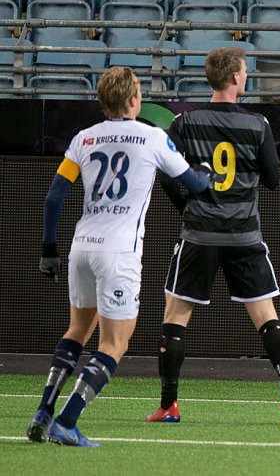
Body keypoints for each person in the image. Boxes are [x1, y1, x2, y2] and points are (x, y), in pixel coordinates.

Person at [28, 66, 212, 447]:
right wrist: (206, 173)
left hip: (82, 246)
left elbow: (53, 198)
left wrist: (49, 250)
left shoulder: (84, 138)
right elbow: (194, 185)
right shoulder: (152, 137)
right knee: (115, 344)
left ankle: (44, 411)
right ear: (133, 99)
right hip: (118, 252)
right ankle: (67, 421)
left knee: (77, 330)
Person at [145, 47, 280, 425]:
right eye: (245, 72)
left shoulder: (185, 123)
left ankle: (169, 405)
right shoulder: (258, 124)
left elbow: (167, 173)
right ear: (234, 77)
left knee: (175, 317)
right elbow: (275, 180)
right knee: (266, 317)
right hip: (244, 235)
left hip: (199, 234)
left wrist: (187, 206)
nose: (246, 77)